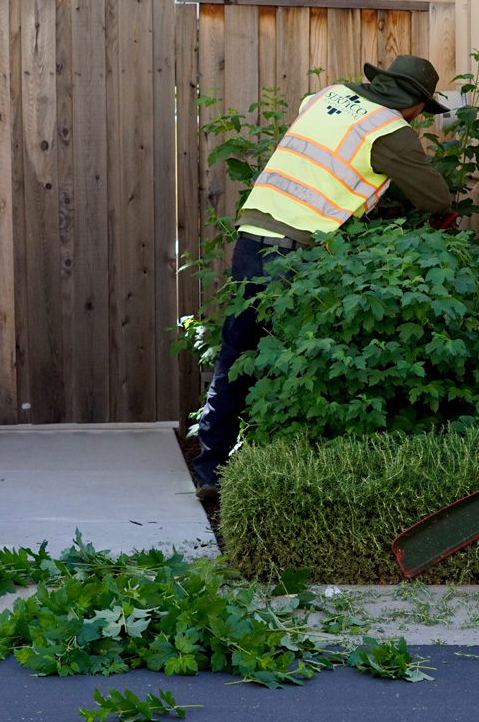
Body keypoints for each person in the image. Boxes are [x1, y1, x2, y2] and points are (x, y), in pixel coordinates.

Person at [192, 55, 455, 498]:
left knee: (238, 352)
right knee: (302, 362)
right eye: (422, 111)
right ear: (414, 103)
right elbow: (436, 198)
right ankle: (283, 473)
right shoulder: (390, 130)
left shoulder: (327, 95)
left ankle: (210, 469)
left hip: (253, 232)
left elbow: (328, 163)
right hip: (296, 253)